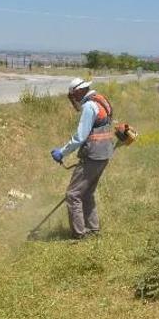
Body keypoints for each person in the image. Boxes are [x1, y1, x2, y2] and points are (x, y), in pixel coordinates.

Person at [51, 78, 114, 240]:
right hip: (105, 153)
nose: (74, 99)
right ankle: (93, 229)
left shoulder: (89, 106)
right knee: (87, 193)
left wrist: (62, 152)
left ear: (79, 91)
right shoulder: (101, 100)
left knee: (73, 194)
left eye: (73, 95)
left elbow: (80, 137)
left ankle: (79, 235)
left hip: (93, 155)